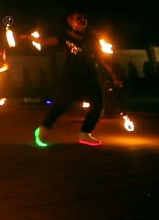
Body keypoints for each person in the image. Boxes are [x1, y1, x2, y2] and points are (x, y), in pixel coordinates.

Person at [28, 11, 122, 147]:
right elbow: (44, 42)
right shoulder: (65, 35)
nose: (83, 20)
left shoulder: (92, 38)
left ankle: (85, 134)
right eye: (78, 18)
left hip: (89, 76)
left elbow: (100, 58)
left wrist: (113, 74)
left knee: (98, 104)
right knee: (62, 105)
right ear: (71, 22)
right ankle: (43, 129)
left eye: (84, 18)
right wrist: (29, 38)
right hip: (71, 76)